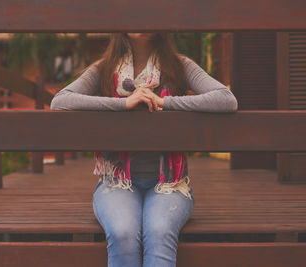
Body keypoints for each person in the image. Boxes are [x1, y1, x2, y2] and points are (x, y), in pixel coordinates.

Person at [50, 32, 238, 267]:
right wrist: (123, 103)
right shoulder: (105, 68)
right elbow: (60, 101)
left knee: (159, 231)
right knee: (122, 232)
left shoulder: (180, 66)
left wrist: (165, 103)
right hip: (117, 181)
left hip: (170, 182)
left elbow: (226, 99)